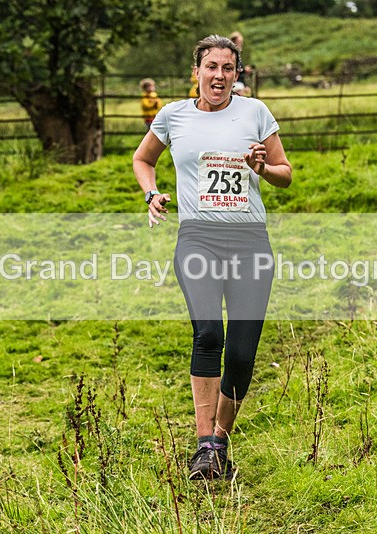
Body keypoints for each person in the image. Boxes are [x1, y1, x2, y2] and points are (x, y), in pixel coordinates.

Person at [132, 34, 292, 481]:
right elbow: (143, 159)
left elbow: (285, 174)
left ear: (237, 73)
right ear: (196, 72)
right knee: (207, 335)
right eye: (211, 67)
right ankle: (205, 445)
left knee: (241, 353)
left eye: (228, 68)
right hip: (198, 238)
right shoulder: (172, 115)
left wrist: (262, 168)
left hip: (249, 240)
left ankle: (220, 439)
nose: (218, 75)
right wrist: (151, 194)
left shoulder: (255, 112)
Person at [229, 32, 252, 97]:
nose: (240, 45)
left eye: (241, 43)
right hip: (235, 85)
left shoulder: (237, 56)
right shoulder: (230, 56)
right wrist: (244, 70)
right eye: (239, 43)